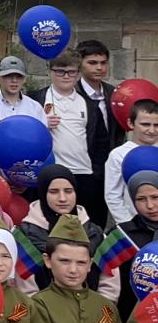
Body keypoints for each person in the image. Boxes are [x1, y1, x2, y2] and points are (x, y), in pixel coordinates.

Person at [28, 214, 123, 323]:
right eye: (64, 261)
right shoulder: (38, 304)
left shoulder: (105, 306)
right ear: (48, 260)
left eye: (81, 263)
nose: (73, 270)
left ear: (90, 264)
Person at [15, 165, 117, 302]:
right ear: (43, 193)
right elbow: (25, 287)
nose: (62, 198)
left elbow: (110, 280)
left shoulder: (96, 233)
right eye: (54, 191)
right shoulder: (24, 236)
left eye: (68, 191)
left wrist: (99, 311)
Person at [31, 50, 105, 225]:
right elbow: (24, 135)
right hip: (48, 175)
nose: (66, 76)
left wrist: (96, 172)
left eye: (71, 72)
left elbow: (102, 142)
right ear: (51, 72)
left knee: (85, 227)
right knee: (48, 226)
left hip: (83, 174)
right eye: (59, 72)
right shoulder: (35, 100)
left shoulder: (89, 104)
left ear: (78, 74)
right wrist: (41, 124)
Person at [75, 39, 124, 198]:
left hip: (107, 168)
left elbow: (119, 131)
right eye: (93, 62)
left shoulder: (114, 94)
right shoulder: (72, 94)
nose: (99, 67)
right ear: (80, 64)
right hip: (80, 168)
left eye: (103, 63)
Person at [104, 98, 158, 229]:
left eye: (156, 125)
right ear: (131, 123)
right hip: (134, 226)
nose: (152, 130)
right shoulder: (118, 155)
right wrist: (129, 225)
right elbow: (113, 196)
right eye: (145, 124)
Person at [118, 170, 158, 323]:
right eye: (141, 199)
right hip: (133, 319)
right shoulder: (121, 235)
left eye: (155, 197)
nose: (150, 205)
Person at [0, 55, 47, 125]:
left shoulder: (35, 108)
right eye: (8, 76)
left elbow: (41, 134)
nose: (14, 80)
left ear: (24, 78)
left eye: (19, 76)